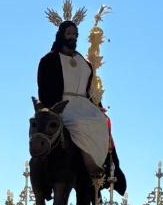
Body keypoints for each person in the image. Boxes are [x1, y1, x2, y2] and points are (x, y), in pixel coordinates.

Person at [37, 20, 109, 179]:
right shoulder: (49, 60)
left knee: (101, 120)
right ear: (61, 35)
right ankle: (88, 161)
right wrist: (51, 107)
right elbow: (44, 86)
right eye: (69, 34)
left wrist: (98, 105)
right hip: (62, 103)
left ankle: (108, 165)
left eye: (75, 35)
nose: (72, 38)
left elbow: (90, 88)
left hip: (84, 103)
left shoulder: (84, 62)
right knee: (78, 122)